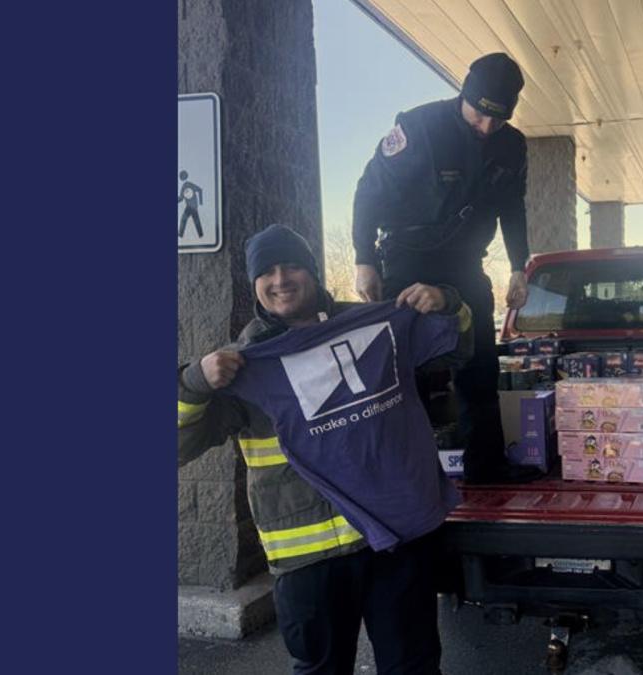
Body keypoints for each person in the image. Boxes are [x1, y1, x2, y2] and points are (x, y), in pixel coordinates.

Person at [178, 224, 472, 675]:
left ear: (312, 272)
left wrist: (449, 302)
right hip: (308, 558)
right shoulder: (240, 365)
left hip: (394, 538)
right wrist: (192, 382)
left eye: (292, 265)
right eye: (267, 271)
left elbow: (455, 348)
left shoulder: (375, 326)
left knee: (413, 665)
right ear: (253, 284)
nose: (280, 279)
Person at [351, 52, 540, 484]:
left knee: (480, 366)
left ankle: (486, 468)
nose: (487, 128)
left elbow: (513, 208)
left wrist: (517, 266)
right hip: (408, 258)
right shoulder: (419, 127)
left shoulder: (512, 145)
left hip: (465, 263)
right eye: (480, 115)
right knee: (409, 370)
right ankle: (411, 474)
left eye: (499, 119)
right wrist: (364, 258)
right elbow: (368, 193)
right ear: (465, 95)